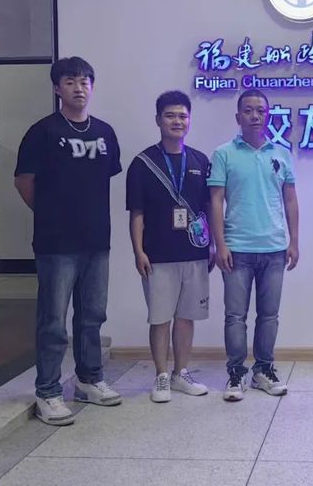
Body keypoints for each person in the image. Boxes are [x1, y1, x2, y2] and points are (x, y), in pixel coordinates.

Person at [14, 57, 122, 426]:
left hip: (97, 240)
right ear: (57, 88)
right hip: (56, 244)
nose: (79, 87)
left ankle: (89, 380)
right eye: (71, 81)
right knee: (53, 322)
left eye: (85, 81)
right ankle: (47, 391)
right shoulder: (42, 132)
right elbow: (24, 182)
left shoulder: (105, 133)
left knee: (92, 316)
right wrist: (50, 214)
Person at [208, 89, 299, 402]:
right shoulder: (224, 154)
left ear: (268, 116)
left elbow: (290, 200)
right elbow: (215, 201)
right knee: (235, 316)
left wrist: (294, 241)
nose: (255, 116)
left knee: (269, 315)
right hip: (237, 248)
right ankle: (236, 373)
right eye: (248, 110)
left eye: (260, 111)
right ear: (238, 116)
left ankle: (263, 370)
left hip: (274, 248)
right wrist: (219, 244)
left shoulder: (281, 154)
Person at [126, 90, 214, 403]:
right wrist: (138, 251)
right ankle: (161, 376)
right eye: (170, 115)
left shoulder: (200, 161)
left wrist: (211, 245)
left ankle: (181, 373)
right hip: (157, 255)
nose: (177, 121)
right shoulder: (143, 163)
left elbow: (208, 207)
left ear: (189, 120)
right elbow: (137, 213)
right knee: (160, 318)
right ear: (158, 120)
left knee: (186, 317)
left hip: (194, 252)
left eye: (182, 116)